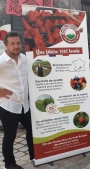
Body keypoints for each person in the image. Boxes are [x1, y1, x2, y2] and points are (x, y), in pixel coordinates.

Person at [0, 31, 34, 169]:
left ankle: (34, 155)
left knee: (32, 130)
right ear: (6, 45)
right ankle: (9, 163)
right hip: (9, 106)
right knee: (10, 135)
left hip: (24, 105)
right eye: (12, 43)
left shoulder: (25, 59)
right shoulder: (1, 62)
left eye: (18, 43)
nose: (16, 46)